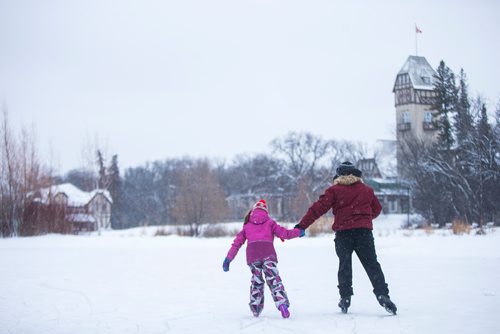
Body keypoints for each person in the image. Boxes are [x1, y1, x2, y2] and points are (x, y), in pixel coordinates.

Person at [295, 161, 397, 315]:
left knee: (345, 265)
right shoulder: (367, 190)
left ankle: (345, 297)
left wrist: (302, 226)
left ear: (339, 176)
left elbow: (317, 208)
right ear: (356, 175)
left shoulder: (334, 190)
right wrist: (364, 218)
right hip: (364, 233)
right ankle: (382, 294)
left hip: (344, 234)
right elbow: (377, 209)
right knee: (372, 265)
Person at [222, 199, 305, 318]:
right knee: (273, 279)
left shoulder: (247, 225)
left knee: (257, 281)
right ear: (266, 211)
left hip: (253, 255)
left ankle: (255, 308)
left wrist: (228, 259)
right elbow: (285, 234)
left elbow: (236, 244)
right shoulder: (270, 222)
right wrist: (299, 233)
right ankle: (282, 305)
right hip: (268, 254)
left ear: (253, 211)